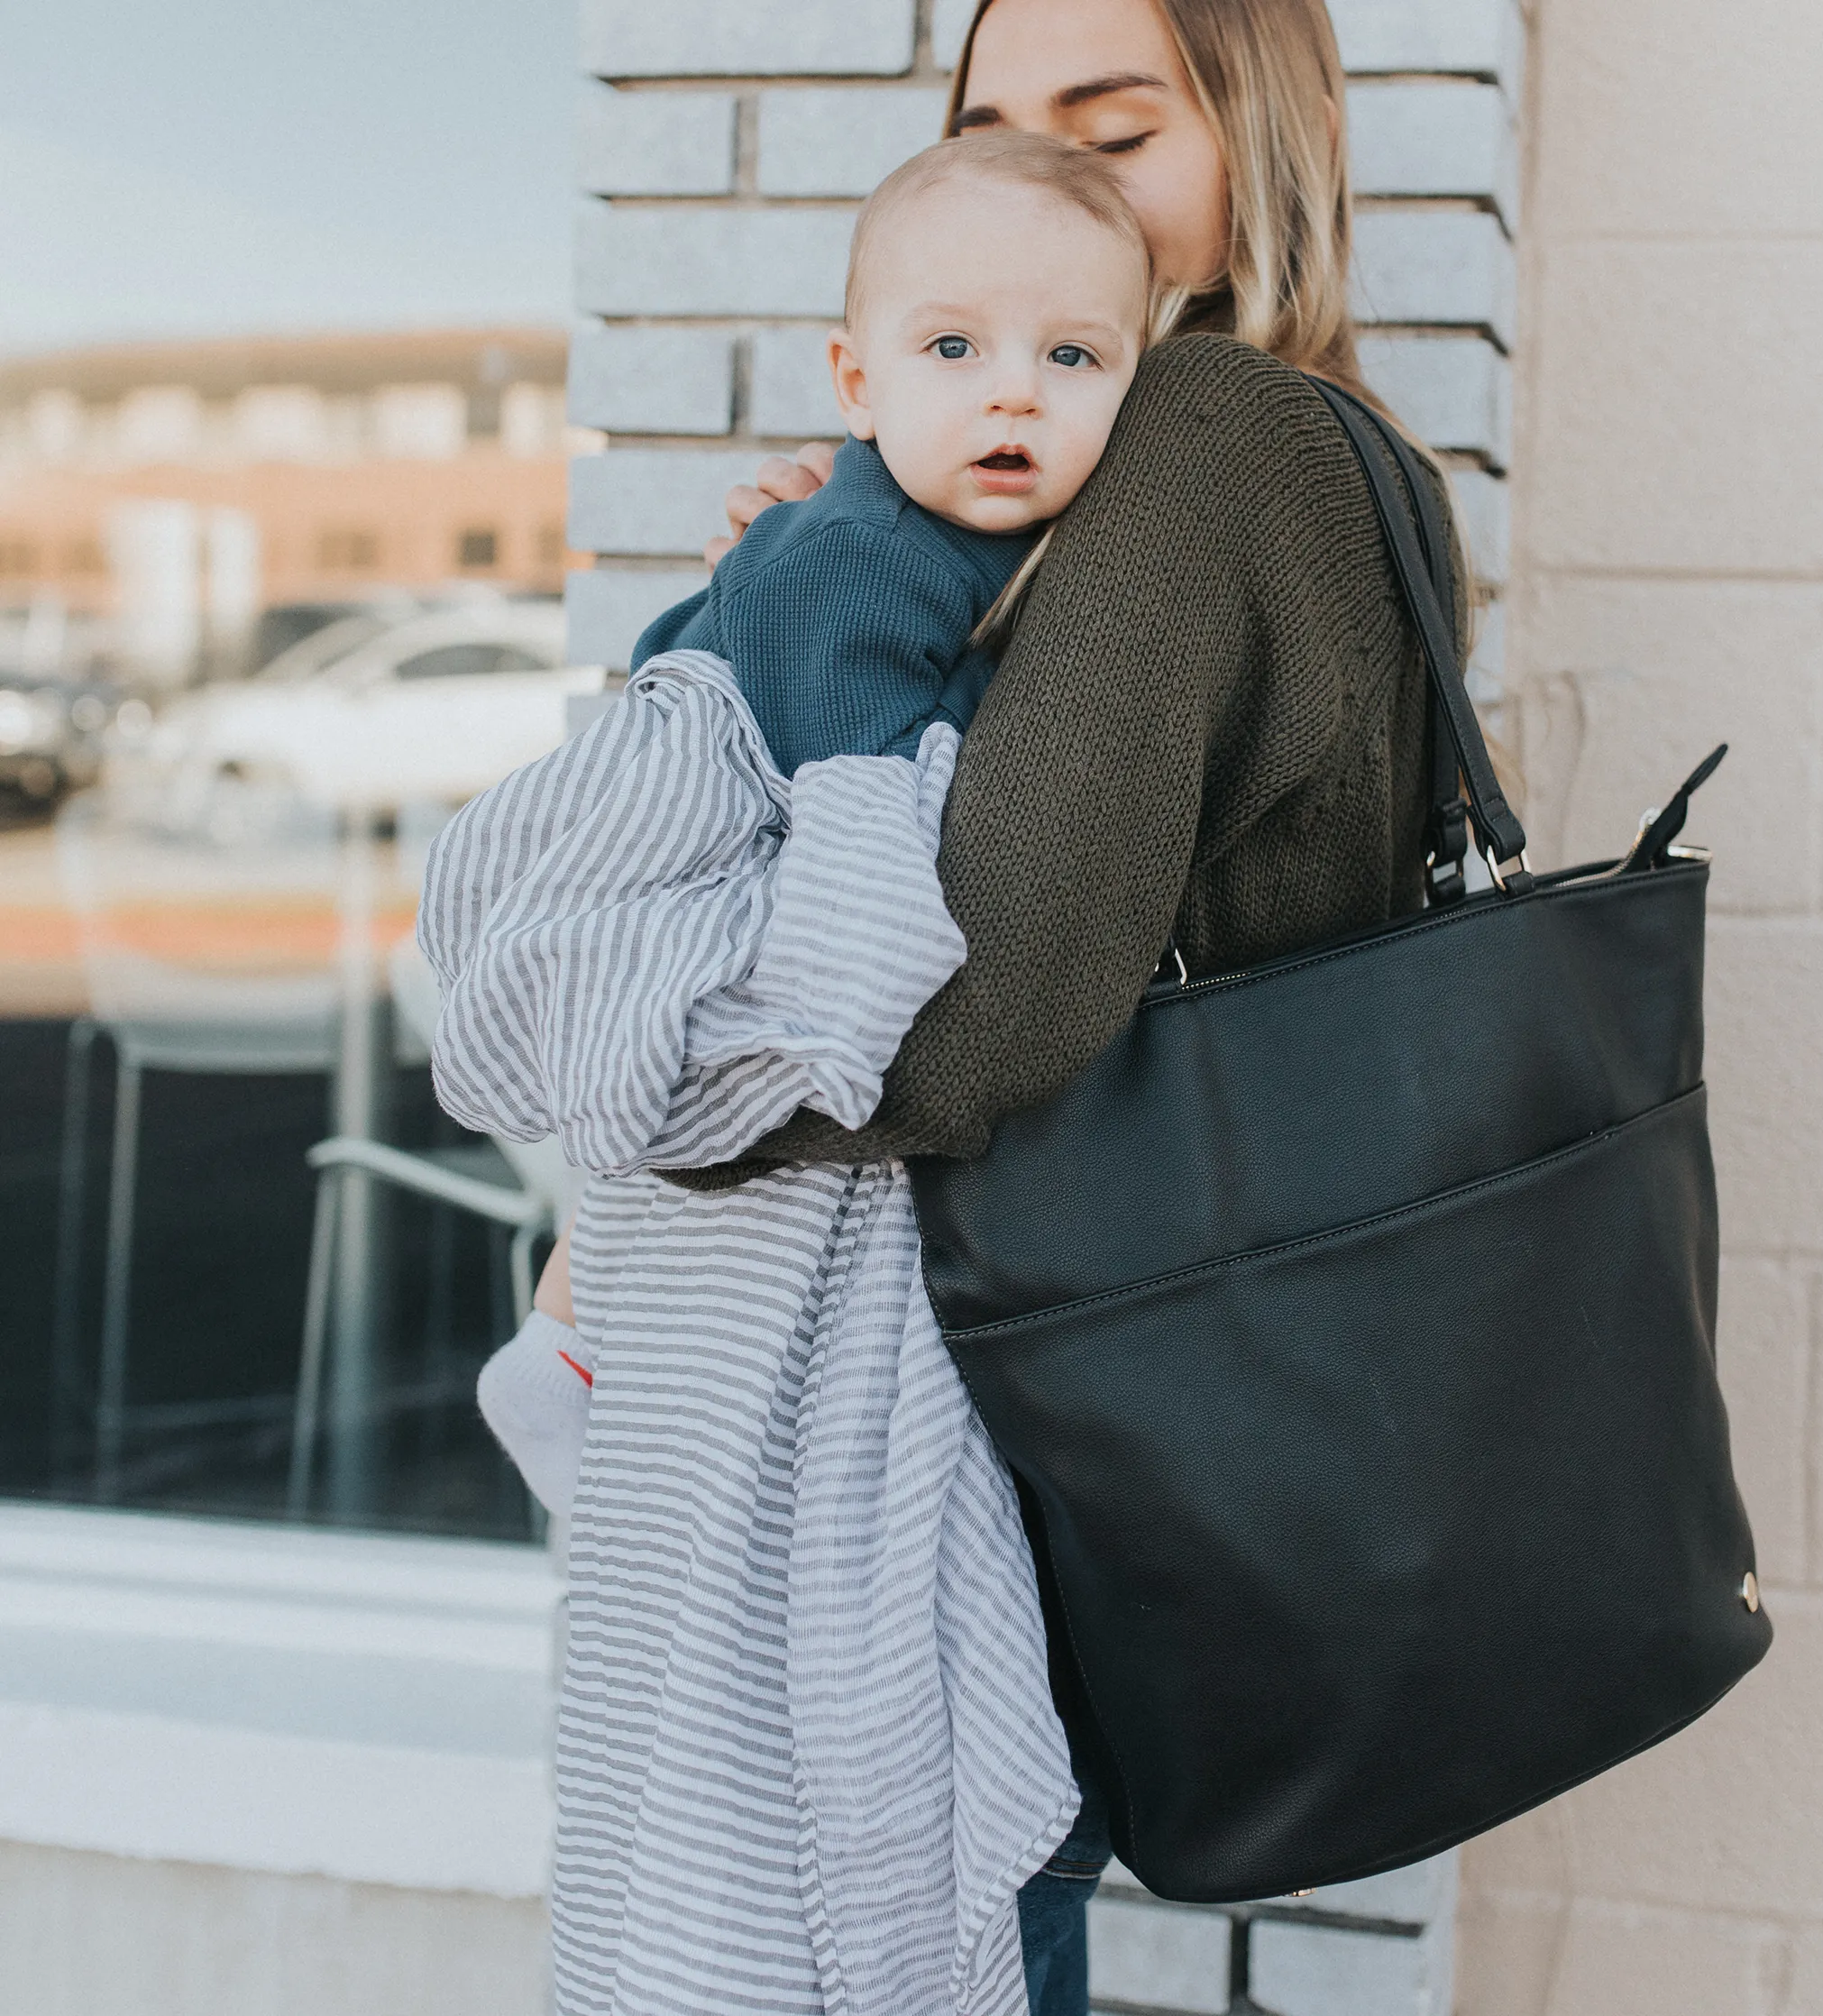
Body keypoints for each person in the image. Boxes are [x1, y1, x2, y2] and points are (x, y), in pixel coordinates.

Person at [671, 3, 1472, 2010]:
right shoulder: (1205, 476)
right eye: (989, 132)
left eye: (1111, 134)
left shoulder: (1210, 445)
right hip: (1089, 1435)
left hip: (1000, 1467)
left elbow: (964, 1008)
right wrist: (846, 575)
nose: (1041, 189)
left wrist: (634, 1102)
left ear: (1253, 160)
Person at [472, 128, 1154, 1519]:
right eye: (953, 350)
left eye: (1072, 358)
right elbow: (857, 786)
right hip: (726, 827)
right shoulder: (862, 548)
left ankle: (575, 1346)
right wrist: (862, 957)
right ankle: (577, 1350)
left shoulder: (992, 539)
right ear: (858, 381)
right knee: (678, 1081)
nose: (1013, 392)